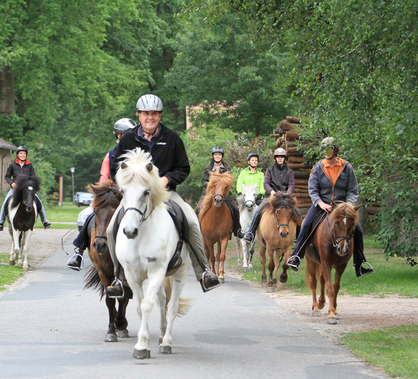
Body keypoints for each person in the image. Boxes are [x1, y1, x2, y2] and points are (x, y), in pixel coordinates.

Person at [105, 94, 221, 297]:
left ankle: (204, 270)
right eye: (146, 113)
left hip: (166, 194)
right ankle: (119, 277)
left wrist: (167, 179)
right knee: (109, 229)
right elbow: (116, 169)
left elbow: (183, 168)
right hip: (136, 196)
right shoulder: (128, 139)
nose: (150, 117)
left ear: (160, 116)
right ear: (138, 115)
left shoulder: (173, 139)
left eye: (155, 114)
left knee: (191, 222)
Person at [286, 137, 373, 277]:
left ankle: (360, 263)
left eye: (329, 149)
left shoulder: (346, 167)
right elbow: (312, 189)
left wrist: (349, 204)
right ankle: (296, 256)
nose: (326, 152)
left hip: (343, 207)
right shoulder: (318, 167)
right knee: (306, 223)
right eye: (324, 149)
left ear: (335, 150)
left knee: (359, 231)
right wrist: (320, 203)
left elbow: (353, 190)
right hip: (322, 205)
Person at [66, 118, 137, 271]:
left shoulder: (139, 154)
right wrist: (107, 190)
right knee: (88, 216)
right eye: (128, 134)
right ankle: (79, 251)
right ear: (119, 136)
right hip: (114, 197)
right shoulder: (110, 156)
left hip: (134, 196)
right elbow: (104, 178)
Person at [242, 147, 298, 242]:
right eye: (278, 157)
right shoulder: (269, 170)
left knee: (298, 213)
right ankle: (251, 233)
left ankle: (298, 236)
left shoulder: (290, 171)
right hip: (272, 197)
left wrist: (288, 193)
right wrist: (271, 191)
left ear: (284, 158)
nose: (280, 158)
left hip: (285, 197)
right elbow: (266, 183)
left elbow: (291, 184)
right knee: (258, 211)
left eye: (282, 156)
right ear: (275, 158)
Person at [0, 146, 51, 231]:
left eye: (24, 153)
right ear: (17, 155)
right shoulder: (12, 165)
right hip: (16, 189)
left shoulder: (29, 166)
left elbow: (33, 176)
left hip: (27, 189)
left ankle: (45, 220)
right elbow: (7, 176)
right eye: (21, 153)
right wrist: (11, 183)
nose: (23, 155)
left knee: (39, 201)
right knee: (6, 201)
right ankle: (1, 222)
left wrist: (31, 184)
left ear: (26, 155)